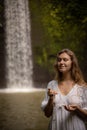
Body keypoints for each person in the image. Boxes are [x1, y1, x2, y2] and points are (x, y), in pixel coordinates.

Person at [41, 48, 87, 130]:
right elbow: (47, 114)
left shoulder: (82, 86)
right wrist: (51, 99)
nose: (61, 62)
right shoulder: (51, 85)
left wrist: (77, 109)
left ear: (72, 63)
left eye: (65, 60)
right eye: (59, 60)